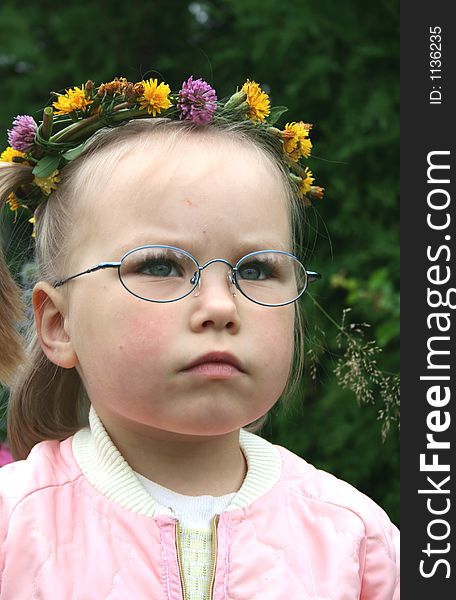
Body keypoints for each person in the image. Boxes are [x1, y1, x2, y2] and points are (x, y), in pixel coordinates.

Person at [0, 75, 399, 599]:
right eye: (162, 265)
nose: (220, 306)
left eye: (256, 270)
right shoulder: (13, 528)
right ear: (58, 323)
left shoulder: (355, 539)